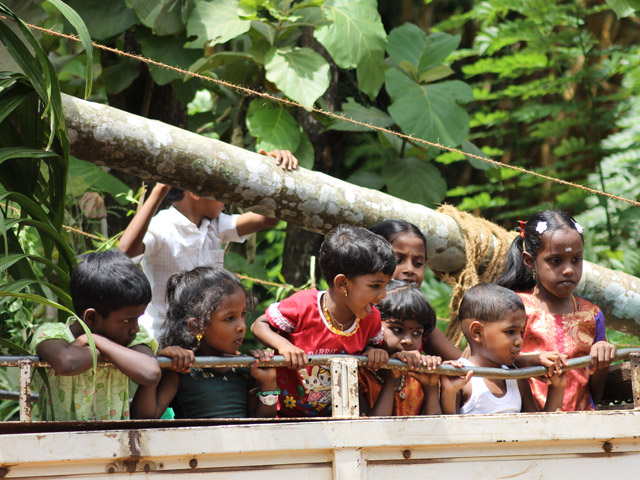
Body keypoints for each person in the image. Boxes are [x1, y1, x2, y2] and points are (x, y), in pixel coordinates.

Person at [118, 149, 298, 339]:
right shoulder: (162, 226)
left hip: (202, 339)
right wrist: (159, 190)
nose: (227, 198)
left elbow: (267, 219)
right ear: (195, 191)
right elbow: (125, 251)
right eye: (220, 190)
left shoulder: (215, 225)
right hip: (162, 338)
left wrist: (270, 171)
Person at [251, 224, 396, 417]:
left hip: (337, 419)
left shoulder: (371, 318)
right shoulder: (304, 306)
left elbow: (369, 346)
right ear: (342, 283)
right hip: (284, 417)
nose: (383, 295)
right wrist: (284, 346)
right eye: (376, 285)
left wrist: (373, 352)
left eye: (386, 285)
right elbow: (258, 325)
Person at [496, 210, 617, 411]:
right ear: (529, 261)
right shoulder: (516, 307)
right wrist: (532, 362)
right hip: (526, 423)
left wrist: (601, 359)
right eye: (555, 261)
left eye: (576, 259)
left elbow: (595, 393)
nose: (568, 269)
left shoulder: (592, 314)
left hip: (582, 424)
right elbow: (494, 362)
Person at [130, 267, 278, 419]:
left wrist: (268, 382)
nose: (241, 326)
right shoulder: (181, 369)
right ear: (196, 326)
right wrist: (157, 366)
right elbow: (143, 418)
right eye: (229, 318)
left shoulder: (245, 368)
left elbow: (260, 424)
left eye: (242, 315)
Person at [31, 250, 161, 421]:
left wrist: (94, 340)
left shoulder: (133, 338)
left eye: (137, 319)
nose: (135, 329)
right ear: (91, 317)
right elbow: (68, 363)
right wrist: (100, 346)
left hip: (114, 442)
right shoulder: (52, 334)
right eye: (127, 321)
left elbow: (150, 373)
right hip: (55, 443)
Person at [440, 284, 566, 415]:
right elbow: (448, 431)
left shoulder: (518, 380)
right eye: (510, 332)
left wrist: (557, 387)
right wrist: (449, 393)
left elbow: (539, 431)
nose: (520, 341)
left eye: (521, 332)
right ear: (477, 332)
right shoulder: (461, 380)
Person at [369, 220, 461, 360]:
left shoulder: (415, 316)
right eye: (398, 260)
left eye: (418, 263)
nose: (410, 270)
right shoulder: (359, 309)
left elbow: (462, 365)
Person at [359, 280, 442, 416]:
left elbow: (432, 431)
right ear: (373, 326)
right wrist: (391, 376)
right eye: (397, 329)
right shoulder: (361, 374)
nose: (408, 341)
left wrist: (430, 387)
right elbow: (373, 431)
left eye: (416, 333)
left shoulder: (420, 377)